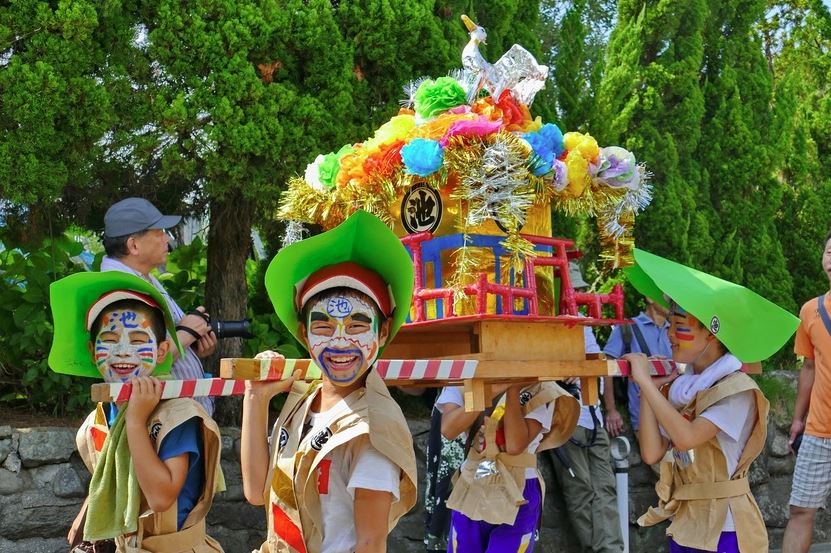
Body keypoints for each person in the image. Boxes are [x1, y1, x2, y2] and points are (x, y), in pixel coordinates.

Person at [240, 211, 417, 553]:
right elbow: (255, 490)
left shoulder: (374, 428)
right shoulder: (304, 401)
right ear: (304, 334)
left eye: (356, 326)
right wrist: (255, 398)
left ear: (382, 331)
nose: (339, 342)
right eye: (323, 327)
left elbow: (370, 543)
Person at [626, 248, 799, 553]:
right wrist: (648, 391)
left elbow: (687, 438)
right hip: (686, 523)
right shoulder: (683, 388)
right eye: (669, 325)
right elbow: (652, 453)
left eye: (680, 326)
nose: (670, 335)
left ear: (712, 334)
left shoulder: (737, 390)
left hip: (726, 527)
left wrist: (645, 383)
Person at [48, 271, 223, 552]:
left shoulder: (179, 414)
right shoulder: (103, 416)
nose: (123, 352)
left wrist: (136, 422)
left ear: (162, 351)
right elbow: (110, 475)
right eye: (110, 340)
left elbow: (161, 497)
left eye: (139, 340)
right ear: (93, 351)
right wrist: (84, 520)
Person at [438, 369, 579, 551]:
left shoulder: (541, 387)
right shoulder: (464, 375)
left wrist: (512, 389)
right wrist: (489, 393)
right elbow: (449, 429)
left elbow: (514, 445)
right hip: (473, 481)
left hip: (519, 488)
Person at [100, 197, 217, 415]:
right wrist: (187, 333)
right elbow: (134, 363)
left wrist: (194, 346)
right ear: (133, 245)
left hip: (174, 417)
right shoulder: (119, 288)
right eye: (159, 233)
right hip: (157, 423)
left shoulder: (143, 279)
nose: (167, 240)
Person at [546, 262, 624, 553]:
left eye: (576, 290)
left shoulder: (580, 321)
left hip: (593, 414)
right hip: (567, 417)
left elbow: (600, 364)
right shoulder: (541, 326)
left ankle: (612, 549)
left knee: (604, 486)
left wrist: (610, 409)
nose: (575, 295)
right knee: (581, 489)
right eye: (571, 289)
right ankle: (598, 549)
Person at [782, 230, 831, 553]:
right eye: (830, 252)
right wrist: (798, 419)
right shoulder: (810, 311)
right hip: (818, 430)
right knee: (800, 510)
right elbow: (809, 368)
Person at [604, 296, 672, 433]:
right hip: (644, 420)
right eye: (667, 296)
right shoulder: (627, 327)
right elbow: (607, 367)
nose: (671, 300)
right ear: (650, 298)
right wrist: (611, 410)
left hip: (675, 418)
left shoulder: (675, 331)